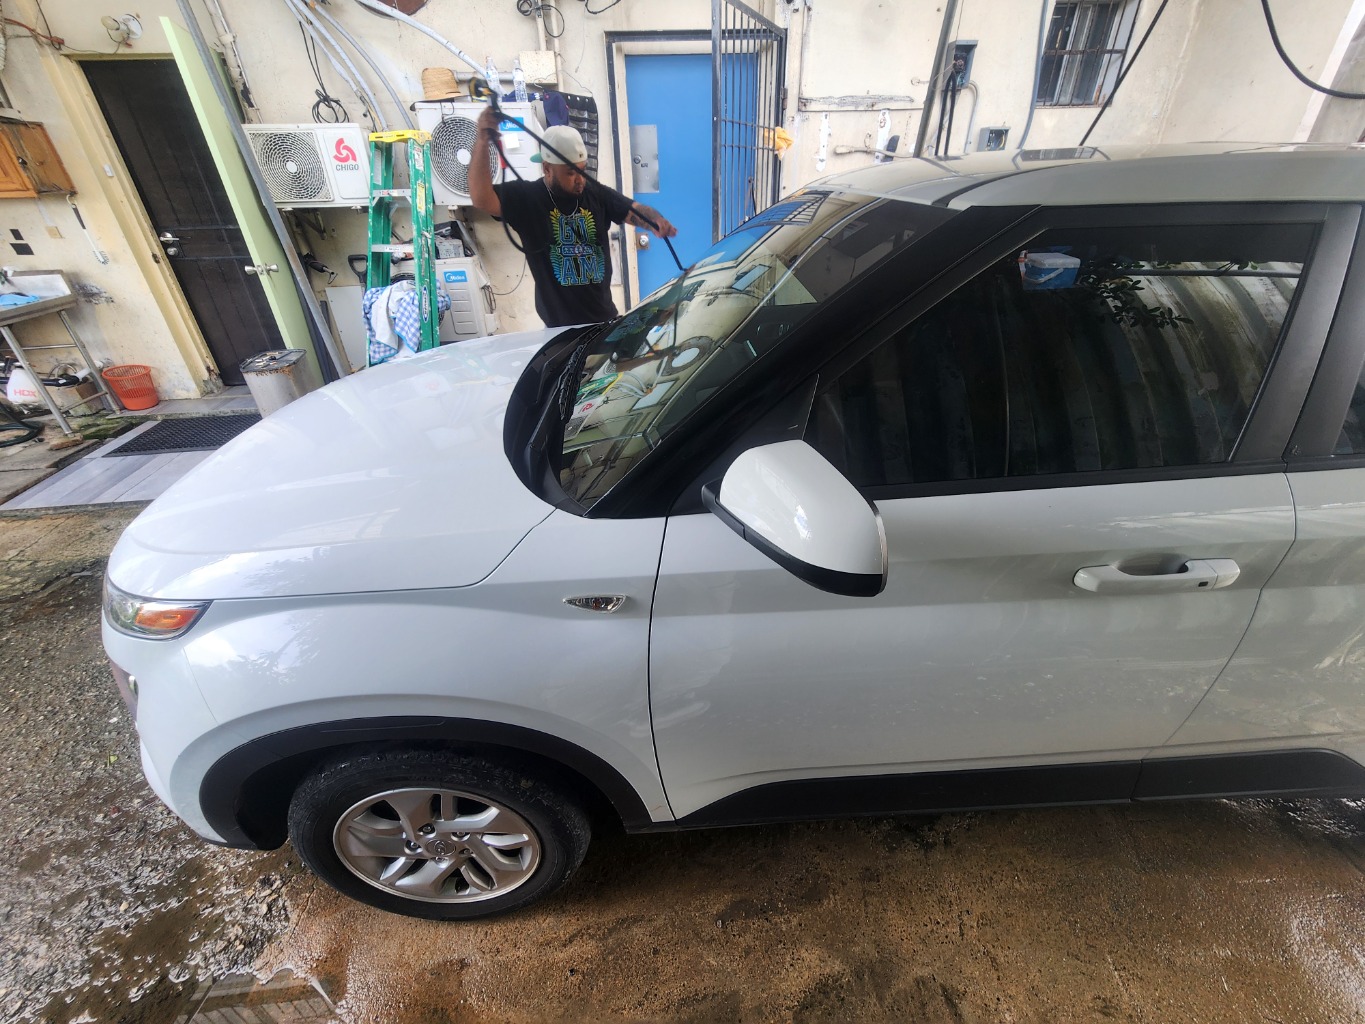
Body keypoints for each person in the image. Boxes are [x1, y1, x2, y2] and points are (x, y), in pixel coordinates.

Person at [471, 106, 677, 328]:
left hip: (604, 321)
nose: (580, 180)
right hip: (560, 330)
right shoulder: (527, 199)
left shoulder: (596, 194)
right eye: (570, 173)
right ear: (547, 169)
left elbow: (633, 210)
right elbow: (482, 199)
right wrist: (482, 141)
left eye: (582, 170)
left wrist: (655, 221)